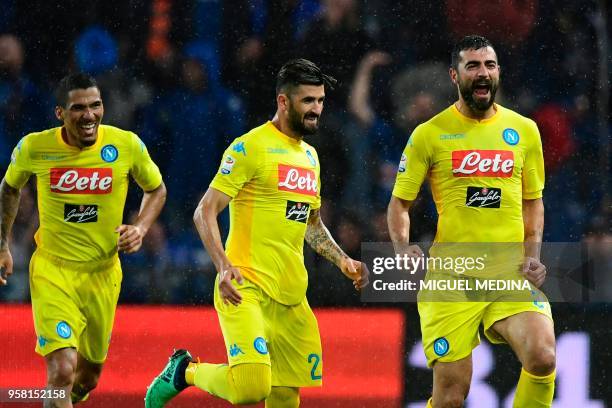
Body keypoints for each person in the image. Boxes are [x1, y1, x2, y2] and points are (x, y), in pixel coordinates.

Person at [145, 58, 368, 408]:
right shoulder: (249, 147)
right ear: (283, 101)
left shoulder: (310, 157)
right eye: (308, 101)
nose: (316, 110)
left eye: (321, 101)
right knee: (251, 386)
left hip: (291, 297)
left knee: (283, 397)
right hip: (245, 286)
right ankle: (185, 371)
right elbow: (204, 211)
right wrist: (222, 266)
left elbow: (310, 222)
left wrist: (342, 260)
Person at [387, 35, 555, 407]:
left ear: (498, 73)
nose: (483, 74)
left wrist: (533, 254)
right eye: (473, 66)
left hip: (507, 272)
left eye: (490, 65)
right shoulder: (429, 134)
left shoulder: (524, 130)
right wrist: (402, 247)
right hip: (453, 276)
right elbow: (399, 204)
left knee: (543, 357)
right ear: (454, 75)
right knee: (450, 397)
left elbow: (533, 201)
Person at [0, 73, 166, 407]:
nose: (89, 115)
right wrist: (3, 243)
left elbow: (156, 189)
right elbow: (9, 187)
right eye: (78, 107)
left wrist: (140, 228)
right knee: (62, 371)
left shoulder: (125, 145)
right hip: (53, 271)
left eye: (95, 105)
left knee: (86, 378)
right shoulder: (35, 147)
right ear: (60, 113)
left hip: (103, 275)